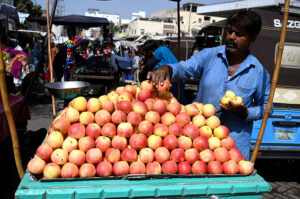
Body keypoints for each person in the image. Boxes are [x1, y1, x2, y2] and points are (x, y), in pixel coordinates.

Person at [148, 10, 271, 160]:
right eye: (230, 32)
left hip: (234, 147)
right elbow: (185, 68)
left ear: (252, 39)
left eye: (239, 35)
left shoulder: (259, 72)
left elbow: (267, 108)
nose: (232, 37)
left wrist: (245, 113)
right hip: (199, 142)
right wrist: (167, 68)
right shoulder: (209, 55)